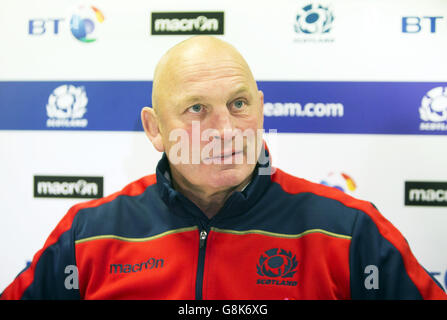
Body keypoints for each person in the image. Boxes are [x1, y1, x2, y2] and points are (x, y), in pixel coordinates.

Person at [1, 36, 446, 300]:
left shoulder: (350, 232)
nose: (225, 130)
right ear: (154, 129)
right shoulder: (88, 236)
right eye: (197, 109)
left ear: (262, 109)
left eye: (239, 104)